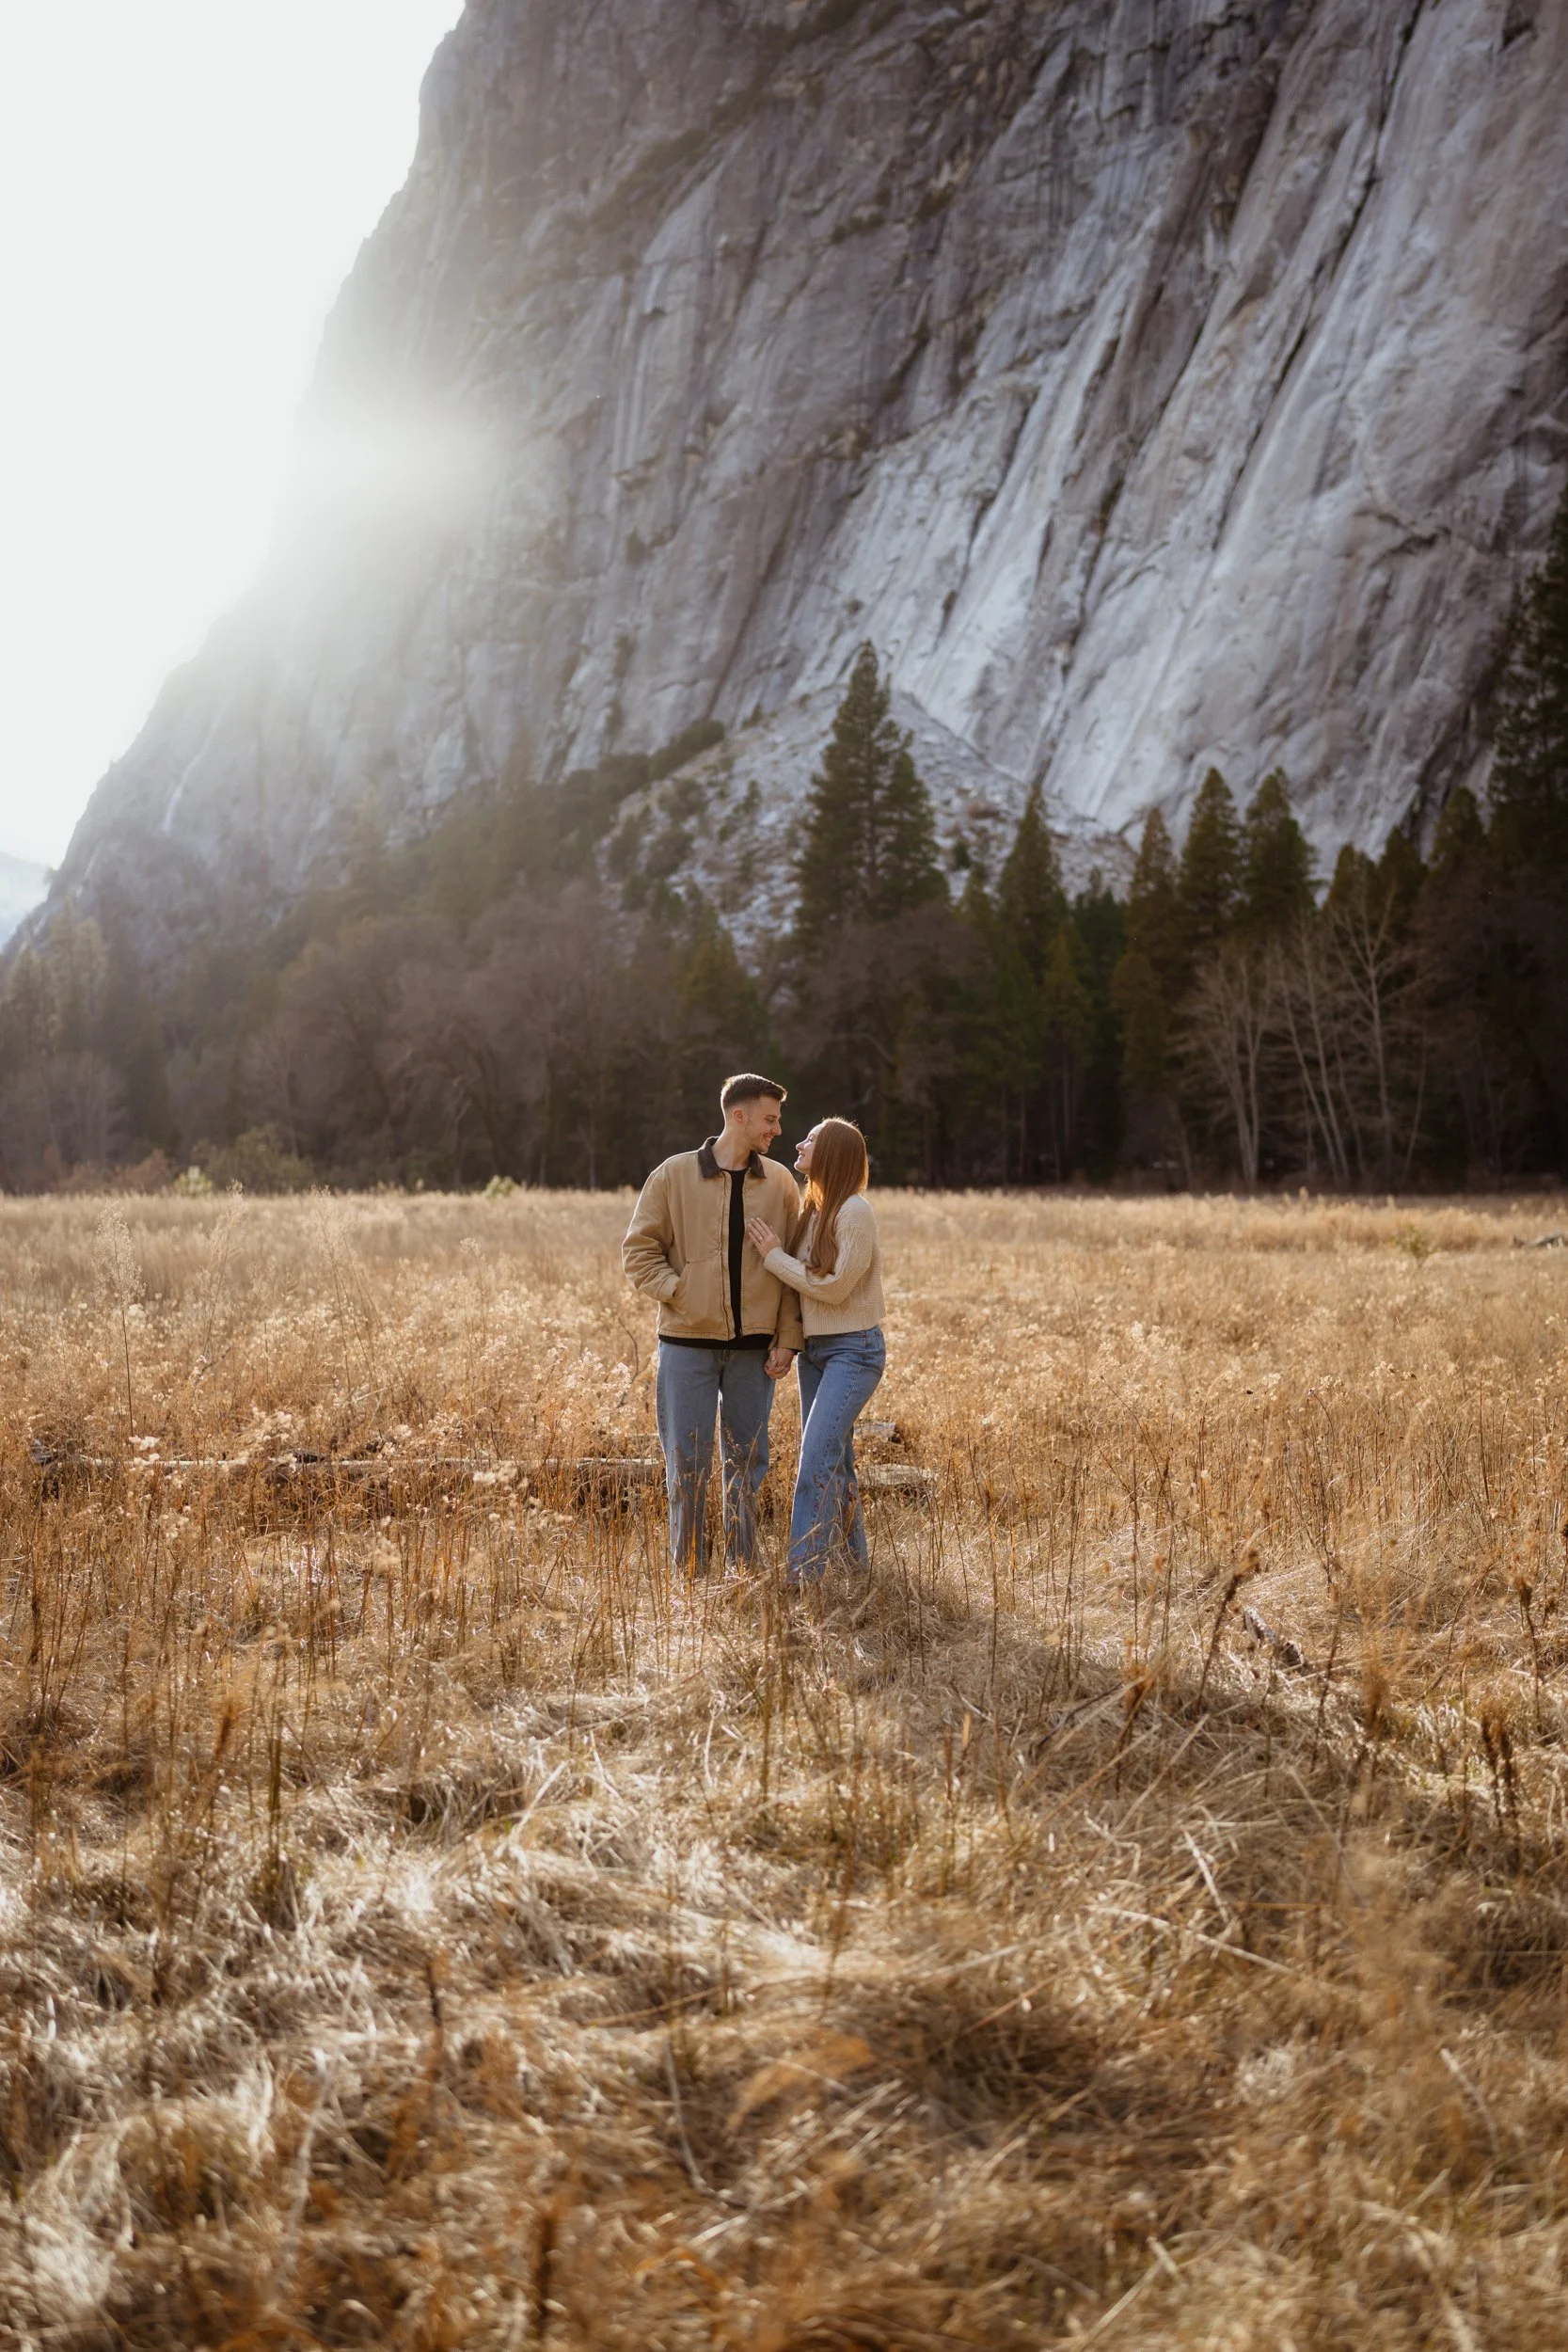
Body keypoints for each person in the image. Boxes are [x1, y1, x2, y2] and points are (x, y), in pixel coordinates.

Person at [623, 1074, 805, 1576]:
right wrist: (682, 1291)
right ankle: (688, 1572)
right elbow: (638, 1253)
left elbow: (792, 1267)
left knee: (747, 1463)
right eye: (770, 1119)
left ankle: (741, 1568)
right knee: (687, 1462)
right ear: (738, 1115)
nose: (778, 1129)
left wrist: (788, 1340)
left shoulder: (782, 1183)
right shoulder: (673, 1176)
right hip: (685, 1345)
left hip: (755, 1351)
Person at [746, 1117, 885, 1585]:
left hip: (855, 1351)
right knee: (837, 1462)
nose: (800, 1143)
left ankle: (803, 1578)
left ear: (832, 1155)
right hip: (818, 1352)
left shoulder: (854, 1212)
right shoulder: (814, 1210)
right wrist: (790, 1343)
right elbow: (803, 1294)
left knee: (814, 1461)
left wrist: (774, 1257)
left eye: (812, 1140)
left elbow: (837, 1288)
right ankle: (854, 1568)